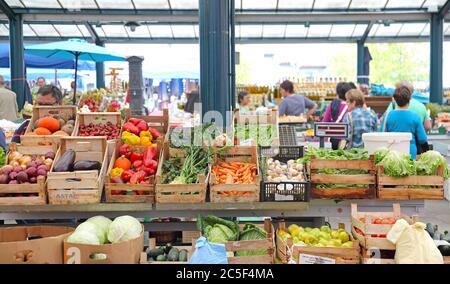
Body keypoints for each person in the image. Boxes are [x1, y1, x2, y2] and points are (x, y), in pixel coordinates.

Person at [379, 86, 428, 160]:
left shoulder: (387, 116)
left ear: (394, 99)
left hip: (391, 155)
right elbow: (422, 139)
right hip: (410, 154)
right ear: (409, 99)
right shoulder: (415, 117)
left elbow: (381, 135)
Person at [322, 82, 355, 149]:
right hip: (347, 141)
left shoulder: (331, 106)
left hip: (334, 141)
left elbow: (324, 123)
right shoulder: (351, 107)